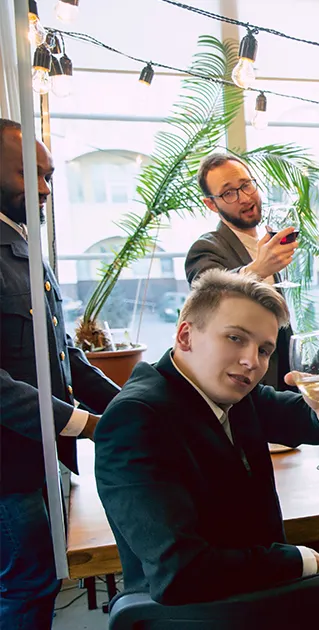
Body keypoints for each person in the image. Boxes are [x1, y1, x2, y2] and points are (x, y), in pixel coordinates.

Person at [93, 270, 319, 628]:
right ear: (186, 335)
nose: (252, 361)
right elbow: (181, 572)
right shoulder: (136, 419)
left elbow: (301, 416)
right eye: (235, 338)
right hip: (209, 613)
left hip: (253, 586)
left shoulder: (226, 390)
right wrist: (303, 560)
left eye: (264, 350)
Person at [0, 118, 121, 628]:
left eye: (48, 176)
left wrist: (127, 402)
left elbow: (62, 352)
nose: (46, 190)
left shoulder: (24, 246)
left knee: (38, 582)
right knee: (27, 586)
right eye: (32, 174)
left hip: (34, 457)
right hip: (7, 469)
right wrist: (86, 424)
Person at [185, 152, 297, 390]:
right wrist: (257, 269)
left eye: (246, 185)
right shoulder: (205, 248)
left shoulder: (266, 241)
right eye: (228, 193)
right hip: (240, 384)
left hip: (280, 381)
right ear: (211, 204)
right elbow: (209, 294)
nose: (244, 198)